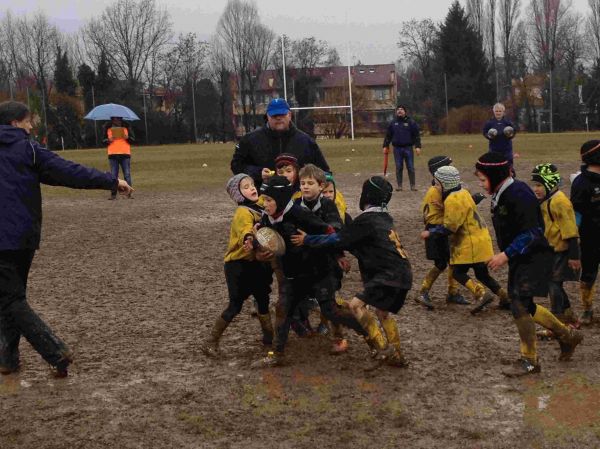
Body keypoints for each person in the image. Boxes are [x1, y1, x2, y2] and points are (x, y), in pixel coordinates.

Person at [0, 101, 133, 377]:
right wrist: (109, 180)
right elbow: (69, 171)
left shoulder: (28, 148)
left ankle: (55, 351)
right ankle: (7, 358)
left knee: (10, 298)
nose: (31, 127)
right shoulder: (29, 150)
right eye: (27, 122)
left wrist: (110, 181)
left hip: (6, 238)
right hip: (24, 236)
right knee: (11, 297)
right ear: (14, 124)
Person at [476, 152, 582, 377]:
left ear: (495, 176)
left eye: (483, 179)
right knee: (524, 304)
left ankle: (530, 360)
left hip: (533, 255)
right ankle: (567, 336)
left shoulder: (518, 194)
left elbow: (533, 232)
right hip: (521, 256)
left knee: (519, 306)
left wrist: (505, 254)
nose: (481, 183)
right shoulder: (501, 193)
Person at [292, 176, 413, 367]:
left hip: (387, 274)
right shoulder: (385, 218)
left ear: (367, 196)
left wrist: (308, 240)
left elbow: (338, 239)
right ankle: (396, 354)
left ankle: (382, 349)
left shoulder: (367, 220)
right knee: (382, 313)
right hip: (403, 273)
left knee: (356, 306)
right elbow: (362, 245)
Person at [251, 176, 368, 368]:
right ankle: (276, 354)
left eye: (269, 200)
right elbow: (264, 240)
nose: (265, 204)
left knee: (331, 311)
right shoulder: (267, 217)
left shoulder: (300, 214)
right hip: (293, 275)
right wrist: (258, 250)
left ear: (280, 199)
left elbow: (331, 232)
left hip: (318, 272)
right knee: (283, 310)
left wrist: (312, 240)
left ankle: (370, 337)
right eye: (264, 200)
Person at [200, 174, 273, 357]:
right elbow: (245, 231)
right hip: (238, 265)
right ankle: (211, 341)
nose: (252, 188)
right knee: (236, 305)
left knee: (263, 300)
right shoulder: (243, 212)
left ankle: (269, 339)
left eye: (252, 184)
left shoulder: (261, 204)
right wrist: (249, 239)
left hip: (257, 263)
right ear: (238, 195)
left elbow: (272, 195)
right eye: (246, 187)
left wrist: (270, 179)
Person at [421, 166, 509, 314]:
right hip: (482, 238)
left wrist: (431, 233)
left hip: (469, 242)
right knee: (482, 274)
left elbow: (451, 227)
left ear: (445, 183)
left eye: (437, 183)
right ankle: (505, 297)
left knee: (457, 273)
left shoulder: (452, 199)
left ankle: (480, 294)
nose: (436, 187)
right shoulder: (463, 193)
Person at [231, 98, 330, 188]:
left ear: (289, 115)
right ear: (267, 116)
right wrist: (257, 173)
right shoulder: (249, 140)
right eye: (274, 115)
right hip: (263, 199)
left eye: (282, 114)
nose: (278, 118)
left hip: (297, 200)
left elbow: (324, 171)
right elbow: (236, 165)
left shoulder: (306, 141)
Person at [530, 164, 580, 325]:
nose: (535, 189)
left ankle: (557, 321)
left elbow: (571, 230)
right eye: (534, 185)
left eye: (538, 185)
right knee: (554, 283)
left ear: (549, 183)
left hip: (561, 251)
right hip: (551, 249)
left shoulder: (560, 202)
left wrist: (574, 256)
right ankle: (568, 315)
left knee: (554, 284)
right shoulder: (547, 200)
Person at [416, 156, 468, 309]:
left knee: (449, 262)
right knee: (442, 263)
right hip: (436, 230)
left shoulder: (439, 189)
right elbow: (451, 208)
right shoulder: (437, 191)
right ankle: (423, 291)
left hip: (436, 230)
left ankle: (452, 292)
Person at [570, 140, 600, 325]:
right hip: (591, 238)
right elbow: (577, 214)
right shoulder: (581, 183)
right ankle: (587, 309)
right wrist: (573, 239)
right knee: (588, 274)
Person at [382, 105, 421, 192]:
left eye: (402, 109)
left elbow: (416, 135)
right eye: (398, 110)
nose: (399, 111)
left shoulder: (411, 122)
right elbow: (388, 136)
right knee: (399, 167)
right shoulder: (393, 123)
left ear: (405, 112)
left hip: (408, 148)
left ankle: (413, 185)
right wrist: (385, 146)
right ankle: (399, 186)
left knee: (410, 167)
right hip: (397, 149)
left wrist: (418, 146)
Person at [103, 116, 134, 200]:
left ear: (121, 119)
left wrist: (127, 138)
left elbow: (133, 139)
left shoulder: (126, 127)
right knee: (114, 175)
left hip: (125, 154)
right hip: (113, 154)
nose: (116, 120)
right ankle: (113, 194)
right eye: (114, 119)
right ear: (112, 119)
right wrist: (108, 140)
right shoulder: (107, 128)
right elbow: (103, 141)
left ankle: (129, 194)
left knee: (127, 175)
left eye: (118, 119)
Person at [482, 103, 517, 167]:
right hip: (494, 148)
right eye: (496, 111)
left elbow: (514, 131)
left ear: (503, 112)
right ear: (494, 112)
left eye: (500, 111)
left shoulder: (507, 122)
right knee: (494, 164)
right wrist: (489, 136)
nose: (498, 113)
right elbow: (484, 132)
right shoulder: (490, 123)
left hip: (506, 149)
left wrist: (510, 135)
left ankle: (511, 176)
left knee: (508, 165)